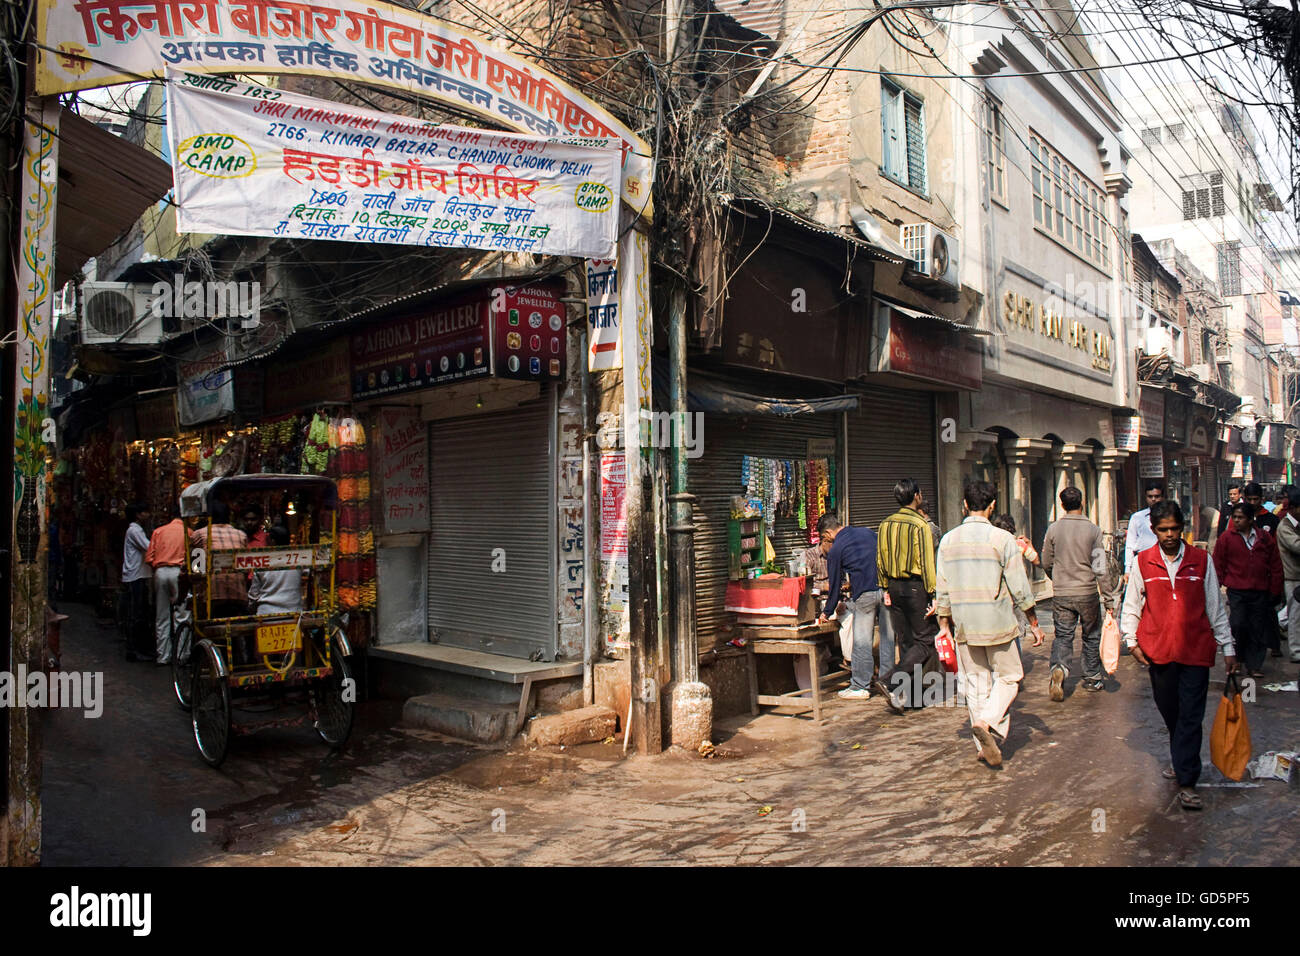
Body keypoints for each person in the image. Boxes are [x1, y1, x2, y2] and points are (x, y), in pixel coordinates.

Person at [1121, 500, 1235, 811]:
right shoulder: (1144, 562)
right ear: (1154, 531)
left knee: (1190, 716)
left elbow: (1214, 606)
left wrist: (1228, 647)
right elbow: (1131, 606)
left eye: (1174, 529)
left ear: (1182, 528)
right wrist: (1131, 642)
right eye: (1163, 530)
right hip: (1158, 653)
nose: (1169, 535)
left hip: (1195, 651)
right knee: (1171, 712)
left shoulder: (1201, 560)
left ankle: (1187, 781)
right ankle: (1180, 755)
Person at [935, 481, 1043, 768]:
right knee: (1009, 678)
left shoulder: (947, 541)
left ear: (964, 505)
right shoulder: (1003, 539)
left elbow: (942, 589)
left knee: (976, 684)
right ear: (993, 505)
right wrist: (1033, 622)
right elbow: (1019, 587)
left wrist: (943, 624)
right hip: (997, 622)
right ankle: (988, 723)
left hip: (964, 626)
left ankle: (984, 746)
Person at [876, 478, 940, 713]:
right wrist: (933, 594)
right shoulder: (919, 525)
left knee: (906, 641)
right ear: (916, 496)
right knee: (925, 640)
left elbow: (880, 559)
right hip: (916, 588)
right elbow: (926, 563)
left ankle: (910, 697)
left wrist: (884, 588)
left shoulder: (885, 525)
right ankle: (891, 680)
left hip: (893, 586)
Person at [1041, 486, 1109, 699]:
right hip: (1087, 591)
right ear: (1082, 502)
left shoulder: (1054, 529)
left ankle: (1059, 668)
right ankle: (1092, 678)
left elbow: (1046, 561)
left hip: (1062, 593)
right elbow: (1099, 565)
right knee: (1091, 635)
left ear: (1062, 505)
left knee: (1063, 635)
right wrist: (1108, 595)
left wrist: (1058, 577)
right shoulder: (1093, 530)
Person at [816, 516, 886, 700]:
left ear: (827, 534)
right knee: (887, 638)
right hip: (886, 591)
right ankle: (889, 681)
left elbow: (835, 584)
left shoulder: (836, 548)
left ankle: (860, 686)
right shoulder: (868, 532)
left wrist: (827, 611)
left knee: (862, 641)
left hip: (865, 594)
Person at [1212, 501, 1283, 678]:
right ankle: (1237, 659)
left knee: (1257, 628)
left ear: (1251, 519)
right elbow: (1218, 565)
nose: (1236, 521)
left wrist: (1275, 589)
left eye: (1240, 517)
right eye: (1234, 517)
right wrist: (1214, 589)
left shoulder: (1264, 538)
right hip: (1237, 591)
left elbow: (1275, 564)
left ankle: (1254, 665)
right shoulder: (1226, 539)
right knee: (1238, 624)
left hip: (1260, 591)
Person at [189, 499, 249, 618]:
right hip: (239, 594)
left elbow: (196, 569)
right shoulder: (241, 535)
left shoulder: (200, 534)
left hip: (212, 595)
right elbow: (245, 568)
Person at [145, 505, 188, 665]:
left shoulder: (159, 531)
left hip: (160, 572)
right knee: (181, 614)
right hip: (179, 572)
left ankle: (163, 656)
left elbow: (149, 558)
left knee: (161, 615)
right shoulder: (188, 533)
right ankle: (181, 654)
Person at [990, 514, 1030, 653]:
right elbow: (1036, 559)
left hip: (1000, 593)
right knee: (1018, 629)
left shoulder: (992, 544)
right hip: (1017, 592)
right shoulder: (1019, 543)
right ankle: (1017, 660)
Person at [121, 504, 153, 662]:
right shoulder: (135, 530)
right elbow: (148, 547)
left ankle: (135, 648)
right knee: (136, 613)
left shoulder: (133, 530)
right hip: (136, 576)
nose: (148, 514)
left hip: (136, 574)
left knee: (136, 612)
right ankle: (133, 649)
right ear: (138, 514)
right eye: (145, 511)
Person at [248, 526, 305, 615]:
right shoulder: (297, 560)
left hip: (266, 613)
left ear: (273, 541)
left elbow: (254, 595)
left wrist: (251, 608)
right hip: (294, 612)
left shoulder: (262, 562)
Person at [1275, 485, 1300, 664]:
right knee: (1295, 616)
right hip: (1293, 577)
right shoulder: (1285, 526)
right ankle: (1296, 651)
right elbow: (1297, 546)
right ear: (1292, 508)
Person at [1124, 482, 1164, 574]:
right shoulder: (1137, 517)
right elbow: (1130, 544)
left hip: (1163, 561)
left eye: (1157, 496)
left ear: (1162, 497)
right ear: (1146, 497)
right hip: (1142, 562)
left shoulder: (1168, 517)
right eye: (1150, 496)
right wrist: (1127, 569)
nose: (1153, 499)